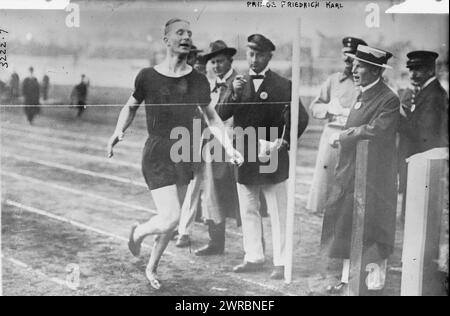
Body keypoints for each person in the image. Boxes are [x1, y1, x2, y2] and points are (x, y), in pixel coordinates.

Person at [106, 18, 243, 289]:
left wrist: (229, 147)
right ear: (166, 40)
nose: (185, 37)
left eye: (189, 33)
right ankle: (139, 232)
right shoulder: (147, 76)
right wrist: (117, 132)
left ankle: (151, 267)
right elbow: (130, 107)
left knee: (173, 219)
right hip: (157, 151)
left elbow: (212, 117)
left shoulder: (198, 80)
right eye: (179, 32)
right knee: (169, 217)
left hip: (185, 150)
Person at [218, 34, 309, 280]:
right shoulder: (237, 83)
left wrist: (286, 139)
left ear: (269, 56)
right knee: (248, 208)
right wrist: (233, 95)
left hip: (273, 156)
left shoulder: (283, 84)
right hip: (245, 155)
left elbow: (300, 117)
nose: (254, 59)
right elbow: (219, 114)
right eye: (250, 54)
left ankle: (281, 261)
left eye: (259, 55)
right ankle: (253, 256)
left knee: (278, 212)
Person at [321, 45, 399, 294]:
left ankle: (374, 283)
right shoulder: (363, 94)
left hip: (375, 177)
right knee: (348, 224)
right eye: (354, 65)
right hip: (353, 172)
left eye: (360, 66)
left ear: (375, 70)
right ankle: (349, 278)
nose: (354, 70)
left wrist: (344, 135)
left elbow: (376, 130)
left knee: (374, 227)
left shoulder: (388, 98)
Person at [176, 40, 241, 256]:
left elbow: (220, 116)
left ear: (230, 61)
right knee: (212, 194)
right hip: (212, 146)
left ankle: (253, 249)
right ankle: (216, 242)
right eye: (213, 62)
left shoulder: (239, 81)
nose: (216, 66)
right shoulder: (211, 86)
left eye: (220, 61)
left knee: (244, 195)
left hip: (236, 144)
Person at [307, 37, 367, 215]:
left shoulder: (365, 81)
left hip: (354, 136)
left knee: (350, 185)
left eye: (352, 55)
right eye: (344, 54)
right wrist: (328, 108)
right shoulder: (333, 80)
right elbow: (314, 107)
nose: (347, 59)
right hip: (331, 137)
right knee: (326, 183)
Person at [398, 50, 449, 219]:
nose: (412, 74)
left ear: (430, 71)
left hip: (425, 158)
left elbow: (424, 132)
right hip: (418, 158)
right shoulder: (422, 91)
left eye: (418, 69)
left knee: (420, 214)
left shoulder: (435, 95)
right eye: (411, 69)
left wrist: (399, 117)